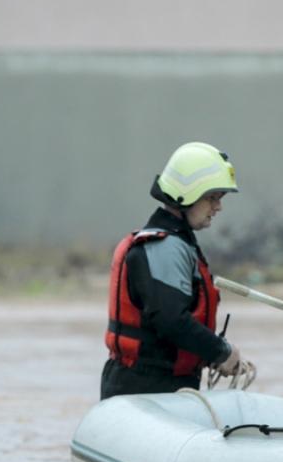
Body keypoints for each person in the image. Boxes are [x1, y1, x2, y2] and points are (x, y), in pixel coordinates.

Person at [101, 141, 248, 399]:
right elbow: (171, 321)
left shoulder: (174, 243)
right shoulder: (165, 247)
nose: (218, 207)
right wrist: (221, 352)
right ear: (187, 195)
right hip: (145, 387)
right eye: (212, 198)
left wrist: (213, 352)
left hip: (157, 384)